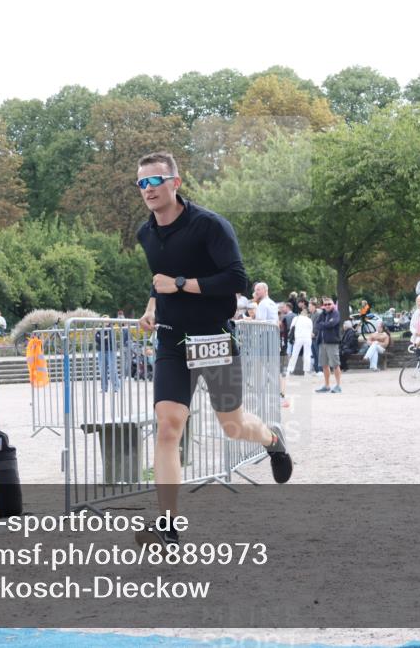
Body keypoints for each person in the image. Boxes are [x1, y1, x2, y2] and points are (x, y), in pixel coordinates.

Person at [133, 151, 291, 548]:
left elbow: (236, 278)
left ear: (175, 182)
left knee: (233, 425)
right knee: (168, 426)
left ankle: (272, 440)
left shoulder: (210, 226)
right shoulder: (146, 234)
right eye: (141, 183)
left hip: (215, 338)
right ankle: (168, 526)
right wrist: (151, 308)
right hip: (171, 339)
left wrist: (182, 284)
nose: (148, 190)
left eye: (155, 181)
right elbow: (158, 282)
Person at [314, 296, 342, 393]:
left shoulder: (336, 313)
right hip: (322, 342)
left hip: (332, 342)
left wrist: (323, 325)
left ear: (333, 304)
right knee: (324, 365)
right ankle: (327, 385)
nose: (327, 306)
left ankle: (338, 385)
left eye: (329, 304)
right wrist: (324, 324)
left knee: (335, 364)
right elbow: (316, 325)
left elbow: (332, 324)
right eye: (325, 304)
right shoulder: (322, 314)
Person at [287, 308, 313, 376]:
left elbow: (291, 327)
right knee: (307, 354)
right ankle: (306, 371)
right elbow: (311, 330)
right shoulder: (309, 320)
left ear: (301, 313)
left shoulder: (296, 318)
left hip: (298, 338)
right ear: (307, 314)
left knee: (294, 354)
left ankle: (290, 370)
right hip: (307, 338)